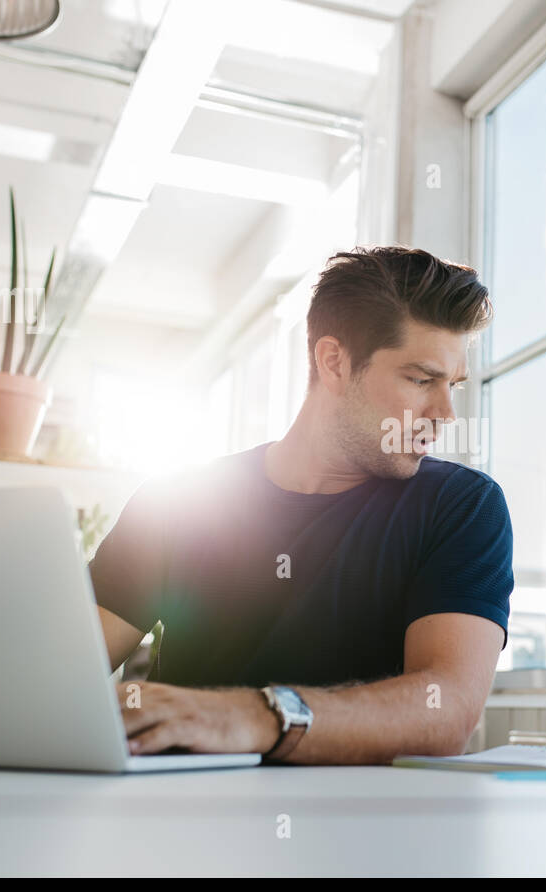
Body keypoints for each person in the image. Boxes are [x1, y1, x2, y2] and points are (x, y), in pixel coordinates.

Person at [89, 245, 513, 765]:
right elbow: (62, 671)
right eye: (421, 379)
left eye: (454, 385)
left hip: (357, 832)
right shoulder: (177, 502)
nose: (445, 413)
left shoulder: (462, 508)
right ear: (334, 361)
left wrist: (255, 716)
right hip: (174, 816)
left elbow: (447, 713)